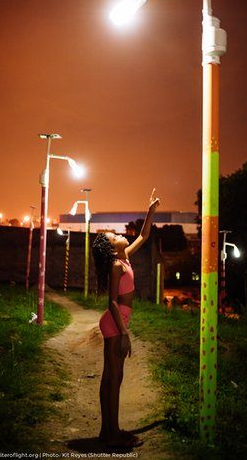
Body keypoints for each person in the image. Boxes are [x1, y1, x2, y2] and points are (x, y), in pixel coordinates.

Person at [92, 188, 160, 448]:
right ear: (111, 249)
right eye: (114, 236)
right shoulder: (116, 265)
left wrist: (150, 211)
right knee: (113, 378)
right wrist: (124, 333)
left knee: (111, 377)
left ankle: (106, 431)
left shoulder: (125, 256)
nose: (119, 234)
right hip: (115, 322)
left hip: (118, 321)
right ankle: (113, 434)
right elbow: (111, 302)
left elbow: (143, 235)